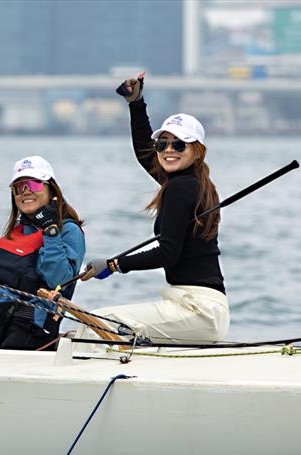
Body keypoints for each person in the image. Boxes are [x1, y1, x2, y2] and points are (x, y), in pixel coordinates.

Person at [81, 73, 229, 343]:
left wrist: (114, 265)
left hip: (196, 309)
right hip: (202, 308)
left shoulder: (181, 188)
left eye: (179, 144)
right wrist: (135, 103)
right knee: (105, 329)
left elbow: (167, 253)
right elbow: (144, 153)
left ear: (197, 150)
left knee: (94, 325)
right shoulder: (191, 183)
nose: (168, 150)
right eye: (163, 144)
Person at [0, 156, 85, 350]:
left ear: (51, 189)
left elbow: (58, 280)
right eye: (19, 187)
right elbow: (1, 288)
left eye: (34, 184)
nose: (26, 192)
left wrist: (50, 231)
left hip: (36, 333)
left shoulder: (69, 231)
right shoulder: (17, 231)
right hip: (4, 325)